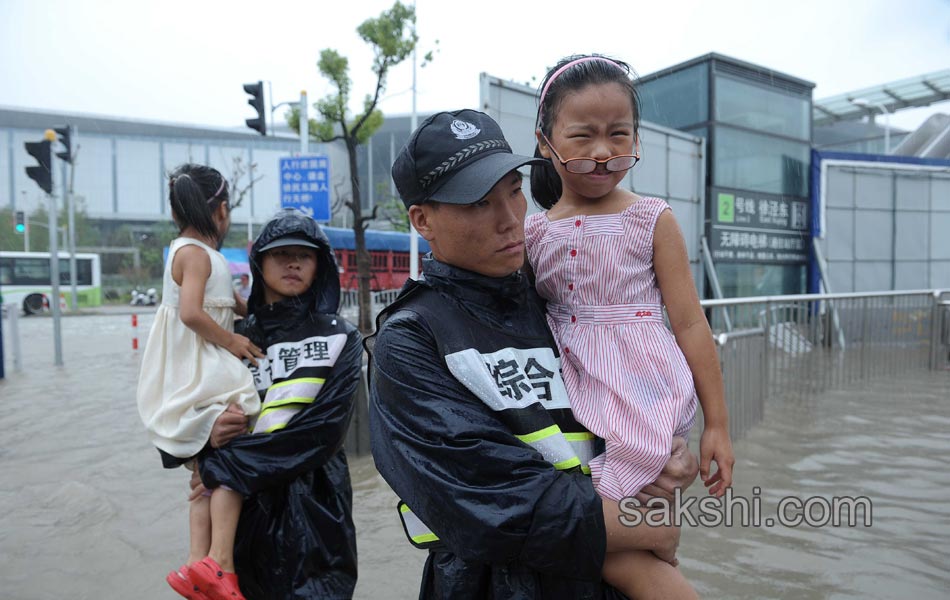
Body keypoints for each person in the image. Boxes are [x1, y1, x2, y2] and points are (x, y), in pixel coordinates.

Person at [368, 108, 699, 599]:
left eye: (514, 192)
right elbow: (493, 497)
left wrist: (666, 450)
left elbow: (628, 395)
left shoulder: (562, 300)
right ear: (423, 220)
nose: (509, 220)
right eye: (479, 203)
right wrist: (645, 527)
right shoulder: (412, 339)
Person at [527, 54, 736, 598]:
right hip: (571, 388)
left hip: (642, 387)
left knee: (633, 534)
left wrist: (717, 424)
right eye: (582, 136)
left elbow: (690, 322)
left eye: (619, 134)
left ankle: (663, 550)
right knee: (615, 541)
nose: (602, 153)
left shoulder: (652, 218)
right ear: (545, 140)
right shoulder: (531, 233)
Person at [192, 208, 362, 599]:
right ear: (259, 262)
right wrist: (205, 434)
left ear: (319, 263)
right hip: (241, 516)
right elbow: (175, 411)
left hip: (318, 513)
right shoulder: (232, 339)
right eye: (280, 254)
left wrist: (220, 464)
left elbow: (322, 434)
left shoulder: (340, 337)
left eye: (303, 255)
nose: (292, 263)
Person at [136, 163, 263, 600]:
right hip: (199, 367)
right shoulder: (193, 253)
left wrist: (251, 311)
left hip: (198, 365)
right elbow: (192, 312)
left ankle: (195, 565)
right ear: (221, 210)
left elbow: (224, 303)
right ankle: (219, 563)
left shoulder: (194, 253)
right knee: (241, 423)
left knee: (202, 478)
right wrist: (232, 341)